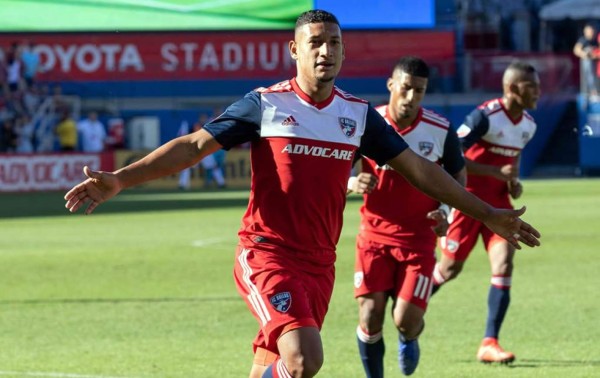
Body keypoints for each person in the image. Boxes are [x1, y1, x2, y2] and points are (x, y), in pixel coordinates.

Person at [64, 11, 541, 378]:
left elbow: (418, 169)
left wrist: (487, 212)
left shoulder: (357, 116)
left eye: (334, 43)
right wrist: (122, 178)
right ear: (294, 49)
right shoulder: (265, 104)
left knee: (273, 364)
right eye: (315, 43)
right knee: (305, 358)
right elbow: (192, 146)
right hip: (266, 253)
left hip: (320, 263)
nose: (325, 51)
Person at [348, 56, 466, 377]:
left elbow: (458, 175)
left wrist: (445, 211)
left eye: (420, 91)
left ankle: (408, 337)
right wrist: (352, 182)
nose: (411, 97)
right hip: (373, 236)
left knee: (406, 319)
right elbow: (338, 167)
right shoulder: (367, 123)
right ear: (391, 85)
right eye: (406, 88)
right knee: (370, 316)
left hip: (418, 240)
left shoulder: (440, 129)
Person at [432, 61, 540, 365]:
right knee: (449, 270)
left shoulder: (529, 125)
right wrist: (496, 170)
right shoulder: (485, 116)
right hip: (468, 202)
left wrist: (513, 183)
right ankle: (408, 304)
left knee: (504, 264)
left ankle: (489, 343)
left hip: (500, 205)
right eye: (532, 86)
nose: (538, 92)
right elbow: (451, 156)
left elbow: (512, 165)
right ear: (512, 88)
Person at [573, 23, 599, 97]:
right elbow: (576, 50)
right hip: (587, 64)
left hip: (596, 65)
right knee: (589, 77)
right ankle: (590, 92)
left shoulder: (595, 40)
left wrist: (594, 55)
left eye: (592, 31)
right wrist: (585, 54)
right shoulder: (583, 40)